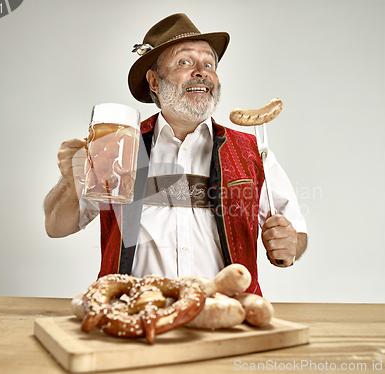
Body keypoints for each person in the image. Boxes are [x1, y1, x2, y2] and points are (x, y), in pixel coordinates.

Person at [44, 13, 307, 296]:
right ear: (154, 82)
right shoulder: (118, 146)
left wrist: (290, 244)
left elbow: (296, 233)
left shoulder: (252, 152)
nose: (201, 71)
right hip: (135, 316)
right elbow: (57, 226)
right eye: (185, 62)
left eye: (209, 63)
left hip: (229, 317)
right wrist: (70, 180)